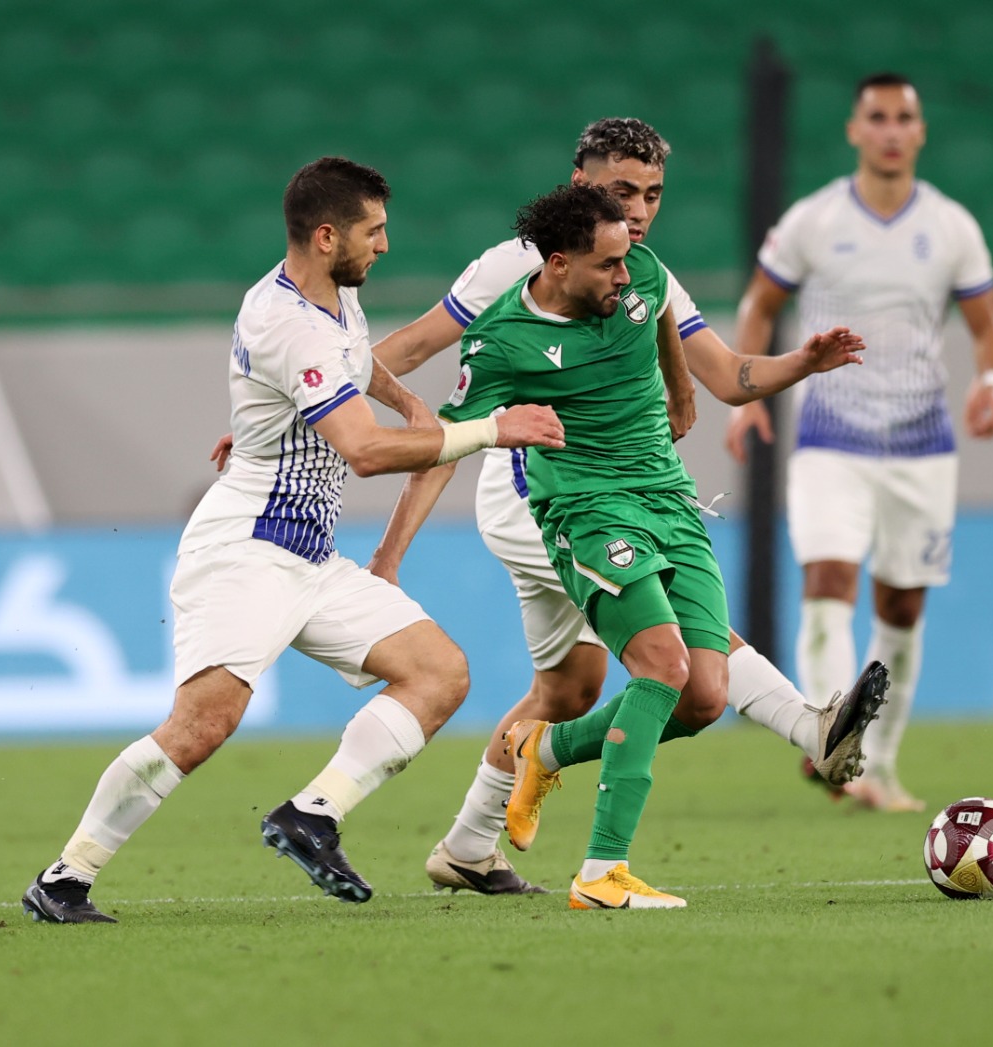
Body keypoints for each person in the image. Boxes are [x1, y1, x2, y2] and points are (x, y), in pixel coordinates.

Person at [19, 157, 564, 923]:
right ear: (326, 235)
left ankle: (313, 813)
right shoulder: (288, 325)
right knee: (201, 725)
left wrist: (407, 403)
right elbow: (363, 451)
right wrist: (489, 430)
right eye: (373, 232)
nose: (384, 246)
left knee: (438, 672)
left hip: (309, 554)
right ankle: (65, 877)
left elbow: (355, 365)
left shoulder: (333, 299)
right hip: (246, 549)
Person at [359, 118, 889, 895]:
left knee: (574, 690)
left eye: (652, 195)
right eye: (621, 192)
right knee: (665, 655)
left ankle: (470, 842)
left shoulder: (635, 265)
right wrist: (315, 403)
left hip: (637, 487)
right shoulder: (513, 268)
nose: (638, 212)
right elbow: (414, 354)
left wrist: (695, 378)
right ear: (580, 184)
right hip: (541, 495)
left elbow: (715, 367)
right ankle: (804, 725)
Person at [727, 73, 993, 812]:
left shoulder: (951, 227)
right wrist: (745, 396)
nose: (890, 130)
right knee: (827, 580)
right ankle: (832, 740)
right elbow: (759, 303)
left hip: (921, 443)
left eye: (902, 118)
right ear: (855, 130)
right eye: (876, 117)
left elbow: (988, 329)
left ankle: (878, 767)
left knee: (902, 606)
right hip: (830, 437)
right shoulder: (814, 219)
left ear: (920, 132)